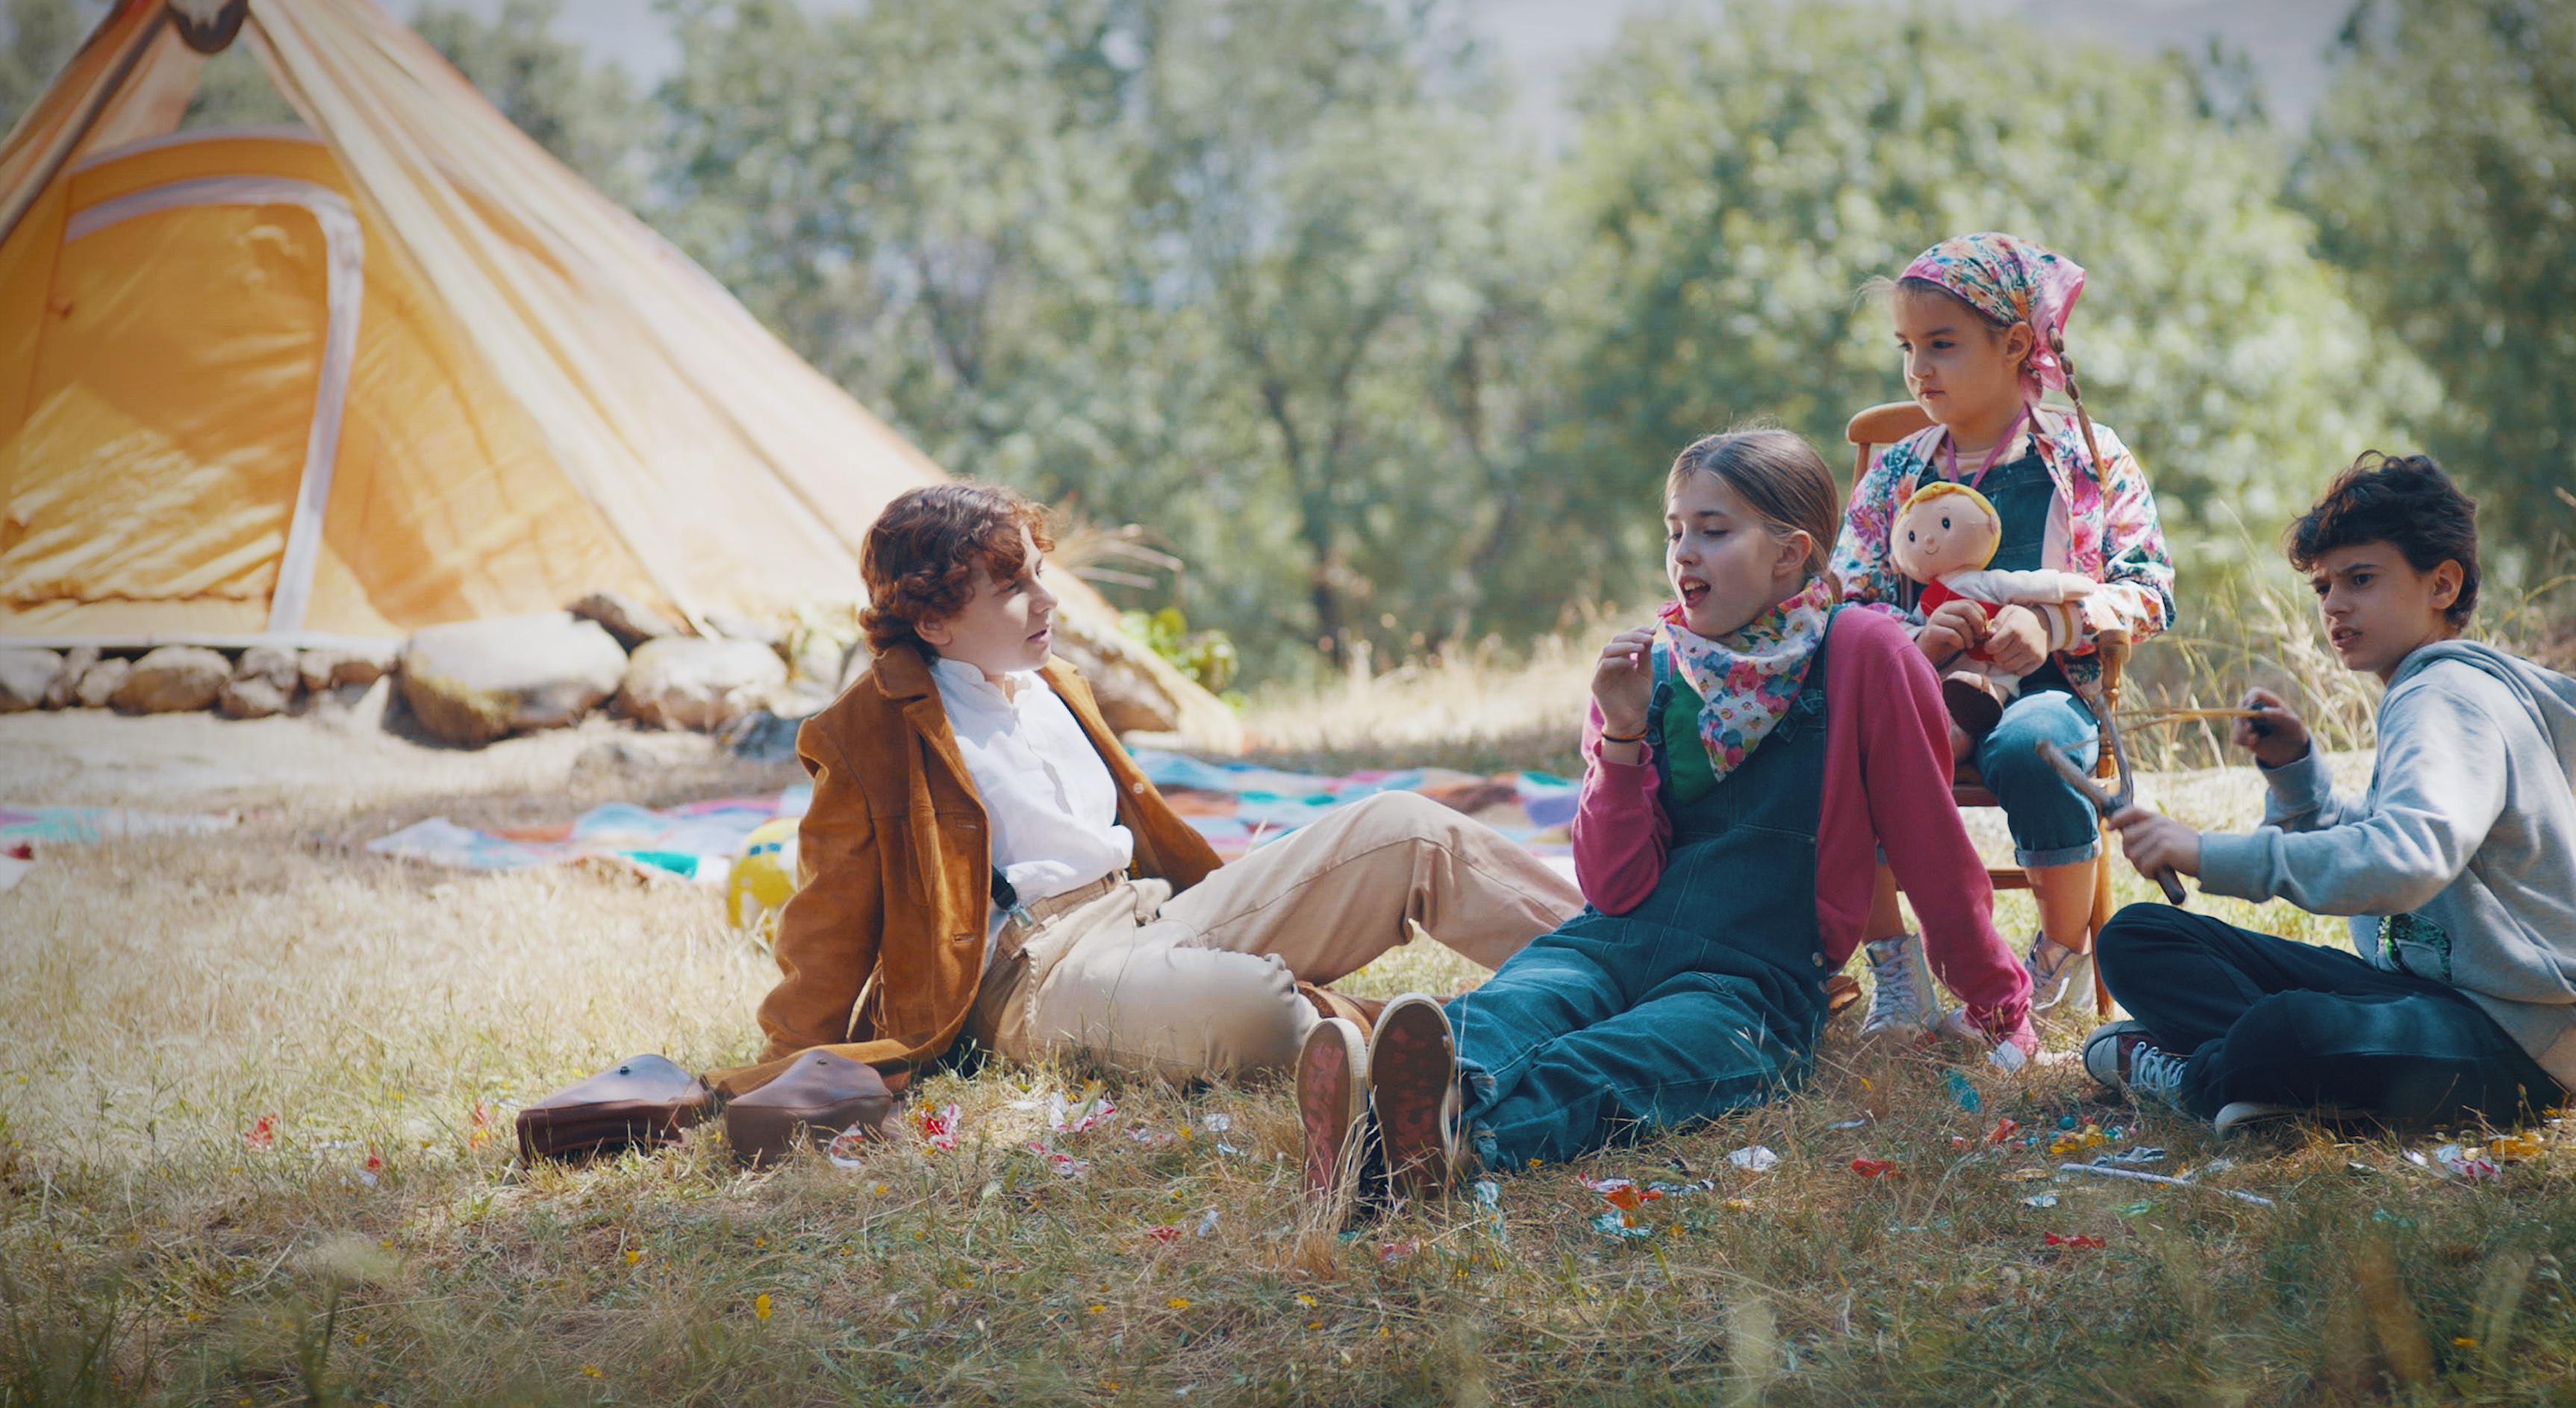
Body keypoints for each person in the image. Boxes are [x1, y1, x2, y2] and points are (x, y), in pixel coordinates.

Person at [1293, 429, 2030, 1199]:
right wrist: (1620, 733)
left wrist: (1997, 1000)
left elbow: (1932, 849)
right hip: (1609, 940)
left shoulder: (1867, 652)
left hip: (1748, 984)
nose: (1684, 553)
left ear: (1790, 554)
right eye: (1675, 531)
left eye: (1714, 532)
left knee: (1630, 1058)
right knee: (1521, 1001)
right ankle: (1400, 1112)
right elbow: (1612, 886)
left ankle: (1434, 1140)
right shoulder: (1653, 665)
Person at [714, 480, 1582, 1103]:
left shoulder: (1055, 678)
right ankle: (1456, 1036)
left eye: (1040, 572)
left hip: (1153, 912)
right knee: (1254, 1012)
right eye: (1014, 586)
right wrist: (791, 1066)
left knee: (1405, 829)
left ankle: (1637, 960)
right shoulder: (870, 729)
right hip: (1035, 977)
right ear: (934, 619)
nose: (1047, 598)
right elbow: (829, 913)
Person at [2084, 453, 2576, 1134]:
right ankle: (2269, 1084)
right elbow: (2384, 838)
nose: (2336, 604)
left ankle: (2202, 1077)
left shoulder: (2445, 697)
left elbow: (2408, 859)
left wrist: (2206, 852)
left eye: (2361, 579)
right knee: (2138, 937)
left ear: (2442, 584)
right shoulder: (2422, 691)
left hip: (2517, 1036)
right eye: (2323, 587)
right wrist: (2296, 775)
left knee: (2282, 1031)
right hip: (2422, 996)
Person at [1829, 233, 2177, 1031]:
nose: (1920, 369)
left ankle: (2058, 951)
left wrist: (2056, 620)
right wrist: (1917, 634)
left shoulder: (2087, 458)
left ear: (2016, 343)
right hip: (1924, 691)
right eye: (1907, 348)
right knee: (1858, 746)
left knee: (2034, 747)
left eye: (1942, 345)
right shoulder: (1898, 469)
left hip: (2056, 691)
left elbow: (2151, 588)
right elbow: (1845, 599)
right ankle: (1896, 963)